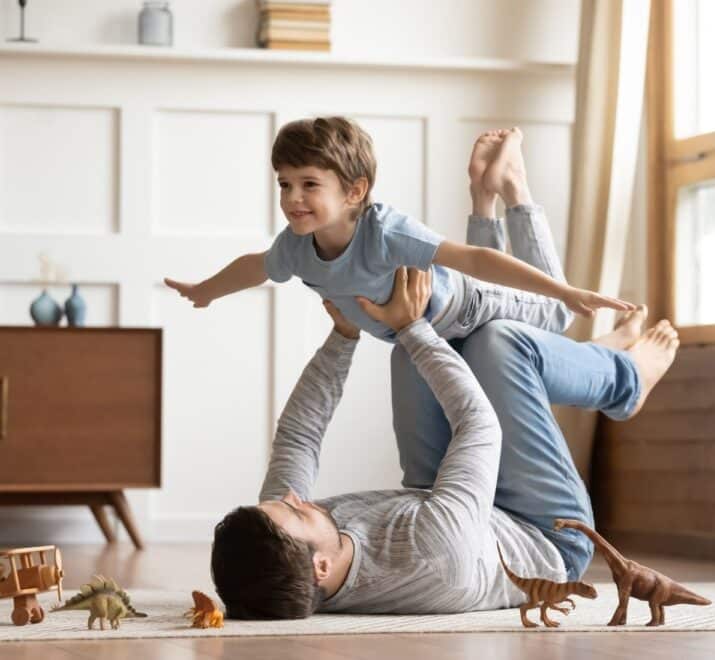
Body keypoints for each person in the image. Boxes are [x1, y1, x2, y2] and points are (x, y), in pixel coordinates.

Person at [209, 265, 679, 620]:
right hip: (545, 531)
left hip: (441, 500)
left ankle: (592, 355)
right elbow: (480, 426)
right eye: (294, 511)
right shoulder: (434, 554)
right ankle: (624, 379)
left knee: (415, 356)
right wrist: (413, 327)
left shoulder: (286, 545)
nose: (294, 499)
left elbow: (299, 436)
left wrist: (343, 334)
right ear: (322, 570)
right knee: (498, 344)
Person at [164, 118, 634, 344]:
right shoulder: (296, 247)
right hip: (431, 330)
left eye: (309, 185)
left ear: (354, 191)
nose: (292, 198)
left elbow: (472, 260)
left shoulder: (384, 231)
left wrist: (564, 289)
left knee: (557, 317)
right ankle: (486, 192)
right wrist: (207, 290)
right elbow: (256, 267)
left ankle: (514, 190)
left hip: (467, 306)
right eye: (285, 184)